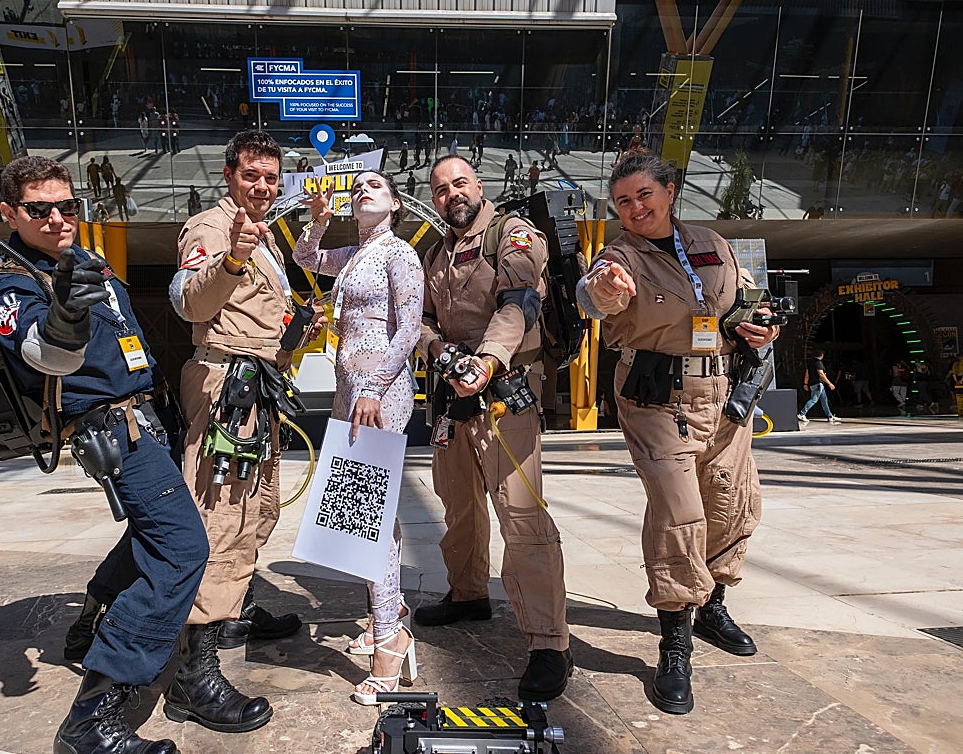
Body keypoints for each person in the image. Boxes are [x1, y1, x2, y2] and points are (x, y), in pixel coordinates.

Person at [0, 155, 208, 754]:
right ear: (10, 212)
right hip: (112, 429)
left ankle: (90, 622)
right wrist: (64, 313)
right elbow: (44, 355)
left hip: (149, 415)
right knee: (183, 547)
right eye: (40, 209)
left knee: (154, 534)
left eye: (68, 206)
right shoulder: (12, 279)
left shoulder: (88, 263)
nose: (58, 218)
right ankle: (91, 718)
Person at [575, 147, 779, 715]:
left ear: (668, 192)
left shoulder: (712, 244)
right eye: (623, 201)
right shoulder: (618, 256)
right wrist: (605, 289)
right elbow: (593, 297)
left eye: (644, 194)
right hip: (654, 398)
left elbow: (743, 305)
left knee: (730, 502)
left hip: (720, 391)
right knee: (678, 511)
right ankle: (675, 636)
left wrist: (756, 329)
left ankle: (711, 602)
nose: (635, 207)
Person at [416, 155, 574, 704]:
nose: (451, 194)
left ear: (479, 185)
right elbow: (424, 316)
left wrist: (485, 360)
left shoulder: (514, 235)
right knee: (457, 504)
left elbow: (520, 303)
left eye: (460, 183)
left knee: (521, 514)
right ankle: (467, 594)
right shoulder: (434, 253)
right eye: (440, 189)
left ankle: (550, 642)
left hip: (505, 393)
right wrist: (438, 348)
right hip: (452, 398)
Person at [165, 130, 309, 733]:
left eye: (272, 177)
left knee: (257, 508)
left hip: (257, 382)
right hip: (228, 384)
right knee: (222, 515)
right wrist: (232, 260)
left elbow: (258, 314)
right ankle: (192, 674)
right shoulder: (212, 230)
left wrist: (297, 325)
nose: (263, 186)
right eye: (252, 175)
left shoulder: (267, 232)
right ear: (229, 176)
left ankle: (234, 604)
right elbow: (193, 306)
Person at [294, 170, 423, 705]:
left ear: (394, 204)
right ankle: (389, 615)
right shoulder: (352, 255)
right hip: (349, 391)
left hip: (381, 391)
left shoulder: (399, 254)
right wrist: (318, 223)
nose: (362, 190)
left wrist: (372, 385)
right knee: (362, 512)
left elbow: (409, 329)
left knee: (371, 512)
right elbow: (305, 259)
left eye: (375, 185)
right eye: (358, 186)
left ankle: (390, 638)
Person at [798, 348, 842, 424]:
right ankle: (802, 413)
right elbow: (821, 374)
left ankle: (830, 416)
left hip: (813, 384)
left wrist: (805, 383)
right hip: (818, 384)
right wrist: (829, 383)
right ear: (821, 355)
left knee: (824, 401)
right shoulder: (818, 363)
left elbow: (807, 373)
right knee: (814, 399)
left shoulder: (811, 363)